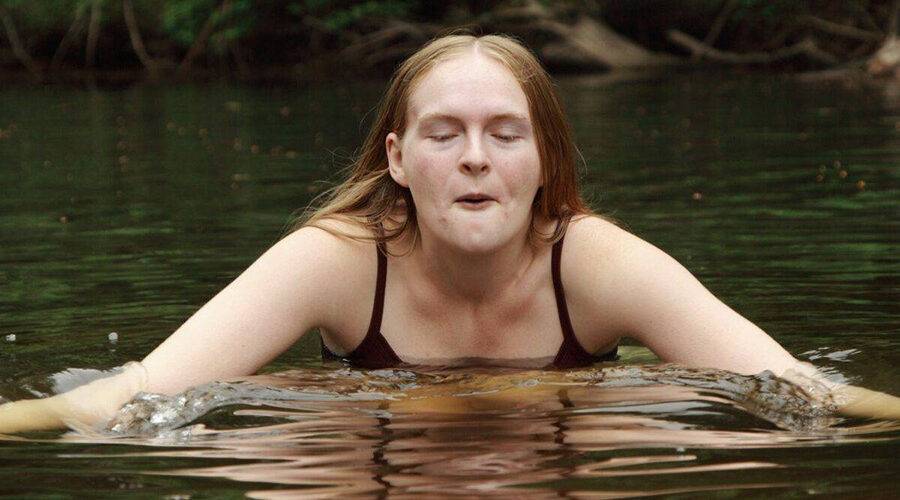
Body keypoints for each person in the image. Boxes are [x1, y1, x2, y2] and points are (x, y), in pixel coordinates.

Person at [1, 33, 898, 433]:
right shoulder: (338, 260)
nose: (476, 159)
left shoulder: (594, 261)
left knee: (647, 421)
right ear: (398, 158)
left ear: (544, 157)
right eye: (444, 135)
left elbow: (797, 391)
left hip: (560, 464)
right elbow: (136, 397)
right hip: (376, 468)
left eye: (506, 135)